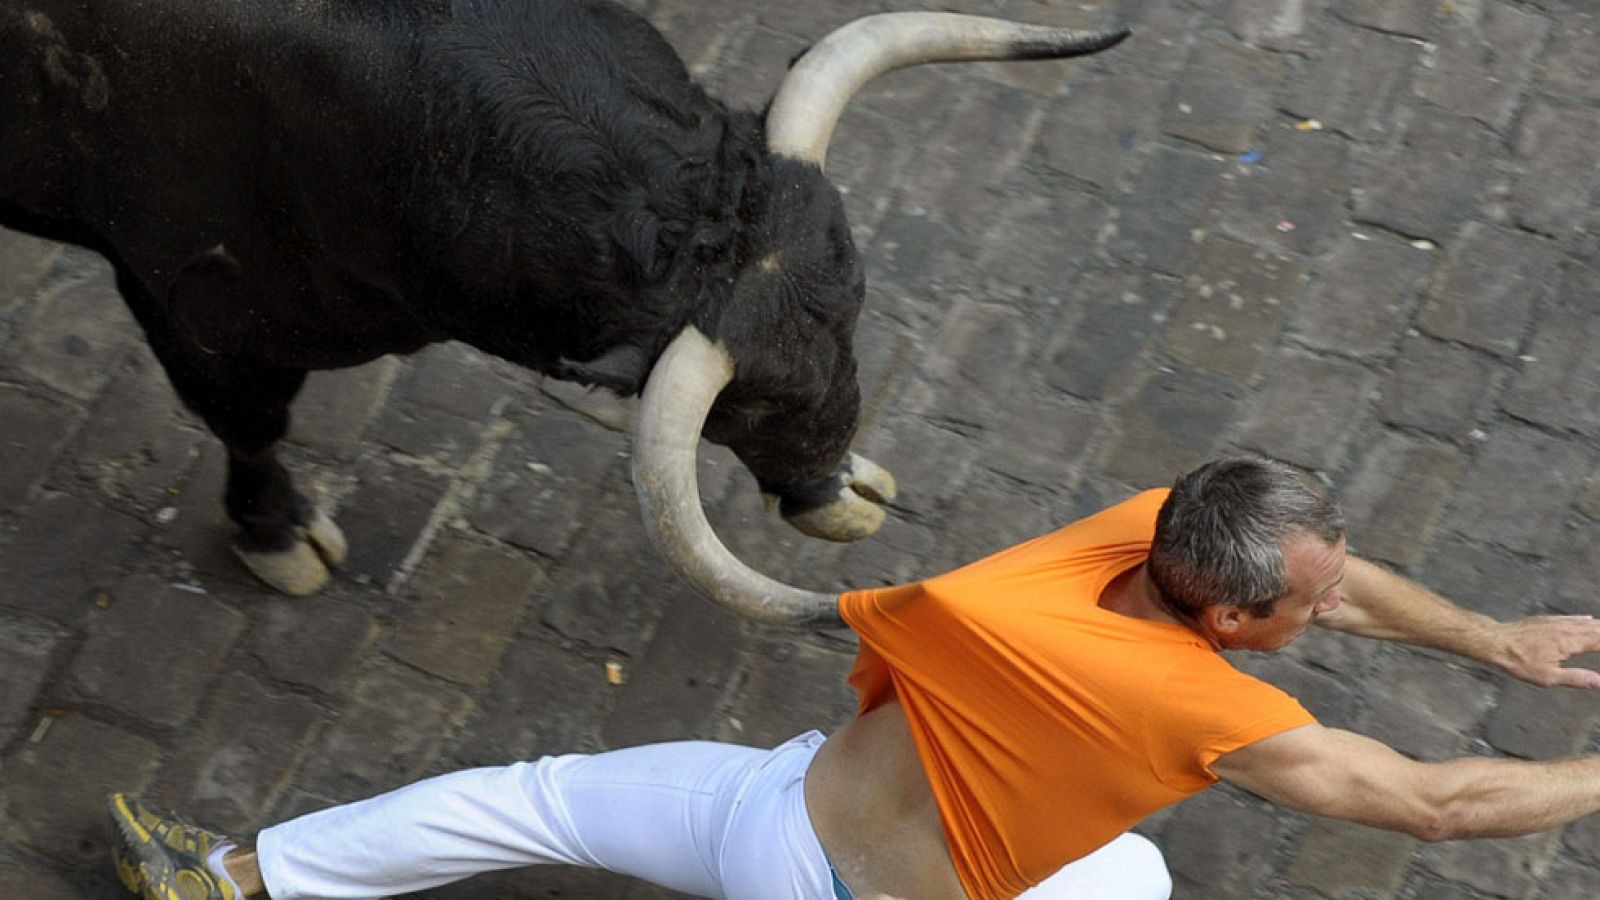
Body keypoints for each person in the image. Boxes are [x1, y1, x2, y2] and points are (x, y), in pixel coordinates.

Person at [110, 455, 1600, 900]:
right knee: (1131, 890)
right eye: (1315, 605)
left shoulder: (1127, 539)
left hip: (774, 818)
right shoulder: (1215, 711)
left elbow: (1321, 588)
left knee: (536, 802)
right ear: (1224, 620)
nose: (1340, 608)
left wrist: (1486, 637)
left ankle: (234, 882)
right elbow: (1442, 808)